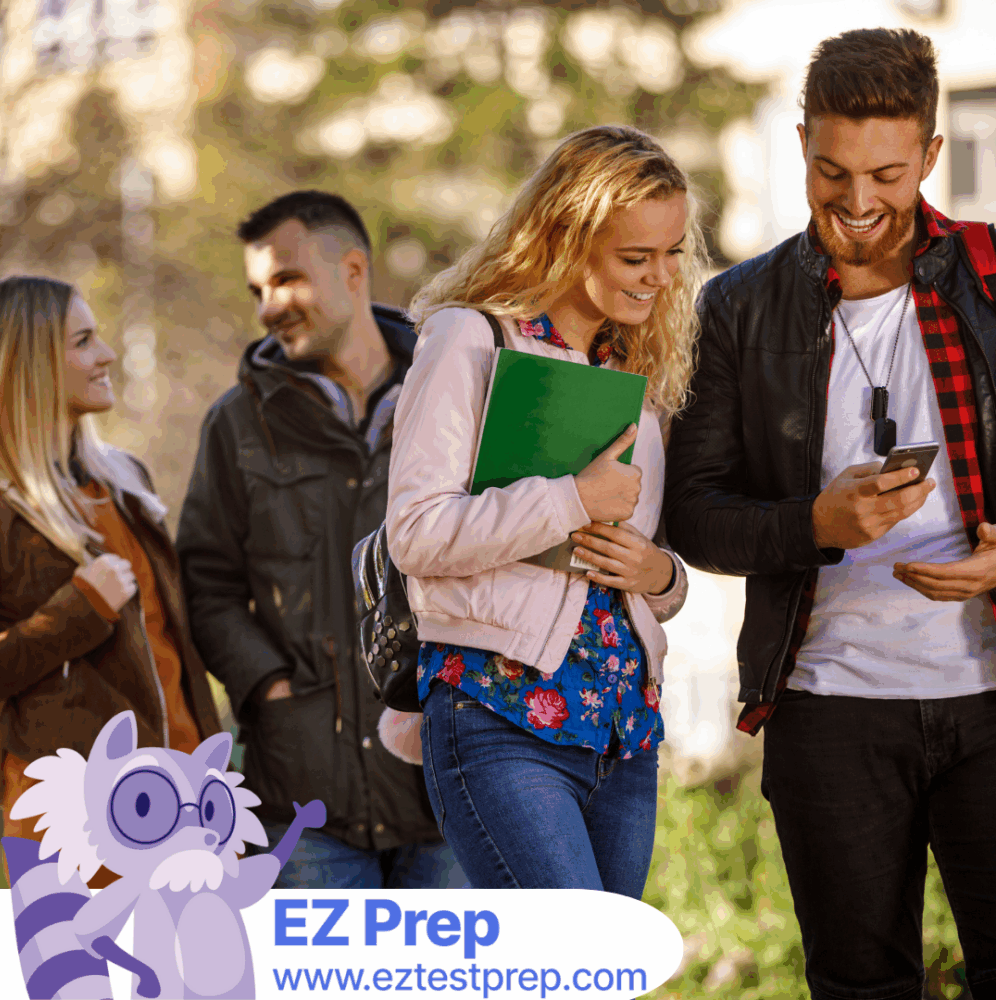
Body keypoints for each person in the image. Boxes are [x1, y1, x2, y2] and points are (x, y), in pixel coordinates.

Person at [664, 27, 996, 1000]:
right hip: (827, 712)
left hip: (988, 700)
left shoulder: (988, 281)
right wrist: (812, 525)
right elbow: (691, 513)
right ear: (801, 141)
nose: (857, 203)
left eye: (886, 173)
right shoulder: (735, 307)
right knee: (857, 985)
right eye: (829, 171)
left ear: (931, 155)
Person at [385, 125, 695, 894]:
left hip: (624, 722)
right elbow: (415, 534)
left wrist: (661, 575)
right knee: (564, 969)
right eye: (636, 257)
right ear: (566, 238)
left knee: (601, 976)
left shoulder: (632, 368)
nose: (660, 277)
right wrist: (570, 500)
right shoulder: (469, 338)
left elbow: (636, 563)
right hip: (499, 711)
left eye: (672, 253)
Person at [176, 191, 467, 889]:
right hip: (302, 808)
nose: (269, 307)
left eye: (287, 279)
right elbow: (205, 584)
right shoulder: (238, 424)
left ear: (355, 271)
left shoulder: (454, 392)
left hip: (448, 792)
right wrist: (268, 687)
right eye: (257, 290)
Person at [0, 275, 223, 887]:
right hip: (69, 822)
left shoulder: (124, 480)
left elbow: (168, 640)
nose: (106, 354)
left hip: (183, 794)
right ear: (31, 365)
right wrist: (81, 608)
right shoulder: (2, 507)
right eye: (83, 341)